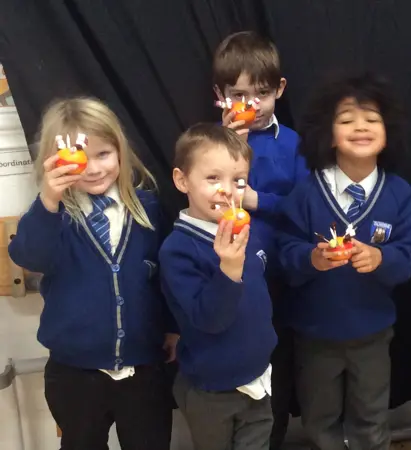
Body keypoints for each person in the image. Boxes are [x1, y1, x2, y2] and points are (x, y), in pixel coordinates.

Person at [8, 97, 175, 450]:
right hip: (75, 374)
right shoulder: (53, 217)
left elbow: (164, 275)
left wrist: (173, 326)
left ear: (120, 152)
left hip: (143, 368)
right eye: (83, 158)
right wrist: (49, 200)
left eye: (104, 154)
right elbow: (28, 256)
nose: (94, 169)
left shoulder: (146, 208)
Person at [276, 72, 411, 450]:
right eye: (346, 119)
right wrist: (312, 259)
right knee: (320, 419)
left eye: (372, 119)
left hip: (372, 334)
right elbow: (285, 255)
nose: (360, 127)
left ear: (389, 130)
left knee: (371, 418)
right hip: (315, 335)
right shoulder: (306, 193)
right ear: (328, 131)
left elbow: (407, 260)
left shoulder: (400, 194)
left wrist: (380, 257)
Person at [213, 30, 308, 448]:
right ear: (220, 94)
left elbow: (304, 206)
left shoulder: (292, 143)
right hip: (231, 276)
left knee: (280, 370)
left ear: (279, 91)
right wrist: (232, 147)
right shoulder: (209, 144)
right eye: (238, 94)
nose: (250, 104)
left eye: (261, 94)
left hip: (282, 276)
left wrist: (255, 198)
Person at [160, 124, 277, 450]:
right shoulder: (178, 249)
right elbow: (209, 318)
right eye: (213, 178)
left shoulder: (244, 230)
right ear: (182, 180)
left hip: (258, 378)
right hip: (212, 390)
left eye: (237, 180)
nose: (228, 190)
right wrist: (228, 269)